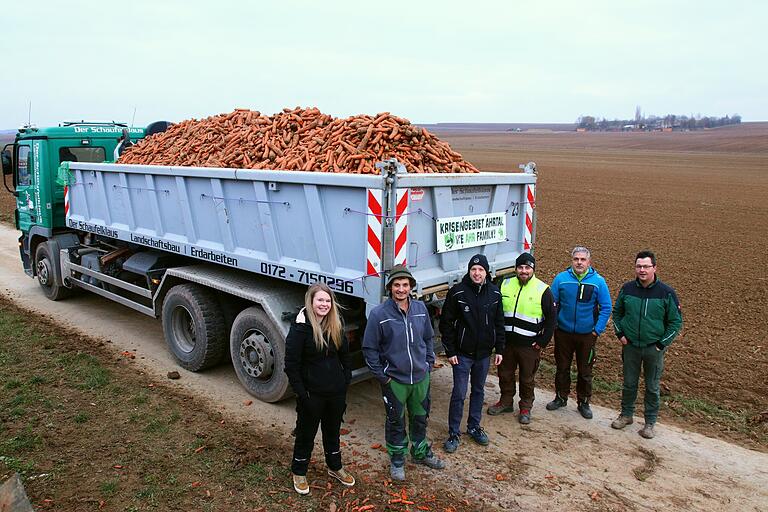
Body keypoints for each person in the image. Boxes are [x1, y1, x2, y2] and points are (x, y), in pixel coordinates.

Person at [362, 265, 445, 481]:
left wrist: (428, 362)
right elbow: (369, 348)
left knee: (420, 418)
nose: (401, 289)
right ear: (390, 288)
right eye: (397, 285)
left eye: (405, 285)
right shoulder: (379, 314)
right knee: (396, 421)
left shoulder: (420, 309)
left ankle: (419, 453)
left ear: (411, 287)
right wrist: (382, 376)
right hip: (395, 380)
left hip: (420, 377)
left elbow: (428, 337)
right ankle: (397, 459)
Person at [284, 283, 355, 495]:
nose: (324, 304)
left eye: (327, 300)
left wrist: (345, 380)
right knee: (306, 434)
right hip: (311, 394)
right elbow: (291, 364)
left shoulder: (335, 323)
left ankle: (335, 467)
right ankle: (299, 471)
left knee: (332, 432)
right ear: (311, 302)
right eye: (320, 300)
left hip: (335, 391)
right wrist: (302, 393)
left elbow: (345, 356)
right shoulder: (300, 328)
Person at [611, 250, 682, 439]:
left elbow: (675, 322)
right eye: (639, 266)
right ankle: (626, 415)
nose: (642, 270)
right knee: (629, 383)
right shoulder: (627, 289)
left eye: (646, 266)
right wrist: (620, 334)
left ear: (654, 268)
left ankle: (650, 422)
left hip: (653, 348)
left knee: (652, 386)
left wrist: (661, 344)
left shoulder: (666, 293)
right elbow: (617, 313)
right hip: (631, 346)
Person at [439, 254, 504, 453]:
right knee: (459, 393)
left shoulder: (494, 293)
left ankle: (474, 427)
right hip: (462, 354)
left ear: (486, 272)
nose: (477, 273)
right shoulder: (457, 293)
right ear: (469, 271)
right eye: (473, 269)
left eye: (480, 270)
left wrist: (499, 349)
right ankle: (453, 433)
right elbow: (446, 324)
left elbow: (499, 323)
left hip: (483, 355)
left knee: (478, 391)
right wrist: (450, 351)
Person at [487, 252, 556, 424]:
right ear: (516, 269)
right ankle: (505, 401)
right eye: (520, 267)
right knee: (505, 374)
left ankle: (525, 407)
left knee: (527, 378)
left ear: (533, 269)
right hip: (507, 343)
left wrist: (541, 343)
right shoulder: (505, 284)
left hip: (529, 346)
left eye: (527, 268)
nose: (523, 271)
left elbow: (552, 320)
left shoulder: (543, 290)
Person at [546, 246, 612, 419]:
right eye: (576, 259)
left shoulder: (598, 281)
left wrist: (597, 331)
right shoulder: (561, 279)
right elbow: (552, 305)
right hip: (563, 333)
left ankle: (584, 402)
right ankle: (560, 397)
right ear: (571, 261)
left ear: (589, 262)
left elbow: (606, 308)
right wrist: (554, 326)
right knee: (562, 368)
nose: (579, 262)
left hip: (587, 336)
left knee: (585, 371)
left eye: (583, 259)